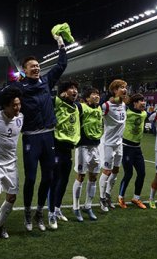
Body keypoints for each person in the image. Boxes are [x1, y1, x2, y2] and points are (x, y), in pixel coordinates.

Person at [3, 33, 68, 231]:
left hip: (49, 136)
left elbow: (61, 65)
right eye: (32, 66)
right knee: (31, 178)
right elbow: (1, 98)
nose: (36, 67)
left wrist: (61, 45)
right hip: (31, 137)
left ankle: (40, 212)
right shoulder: (18, 86)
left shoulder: (47, 81)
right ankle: (28, 213)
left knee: (48, 177)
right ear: (24, 70)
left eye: (38, 65)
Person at [0, 88, 23, 239]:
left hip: (11, 163)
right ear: (5, 106)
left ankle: (0, 225)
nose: (17, 108)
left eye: (19, 104)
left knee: (12, 198)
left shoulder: (21, 118)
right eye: (14, 105)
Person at [48, 80, 80, 229]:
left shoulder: (76, 107)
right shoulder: (57, 102)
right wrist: (58, 97)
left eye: (75, 89)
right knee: (54, 181)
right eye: (71, 88)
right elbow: (46, 99)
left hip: (68, 148)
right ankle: (50, 213)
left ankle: (58, 208)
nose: (74, 91)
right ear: (64, 91)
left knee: (64, 180)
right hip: (56, 146)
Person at [72, 87, 103, 221]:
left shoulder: (100, 108)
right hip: (83, 146)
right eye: (93, 94)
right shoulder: (80, 107)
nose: (96, 96)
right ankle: (76, 207)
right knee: (81, 176)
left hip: (96, 146)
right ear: (86, 98)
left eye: (98, 94)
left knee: (94, 176)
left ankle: (88, 206)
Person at [99, 79, 128, 212]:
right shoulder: (107, 106)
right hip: (108, 144)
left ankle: (108, 195)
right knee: (107, 171)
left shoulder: (123, 105)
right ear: (115, 90)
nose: (125, 89)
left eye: (125, 87)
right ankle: (101, 199)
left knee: (116, 170)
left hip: (119, 143)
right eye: (121, 87)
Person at [118, 93, 149, 209]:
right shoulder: (127, 112)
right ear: (135, 103)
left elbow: (153, 116)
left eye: (144, 100)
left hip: (137, 148)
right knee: (129, 173)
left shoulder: (144, 113)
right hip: (126, 147)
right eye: (141, 101)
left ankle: (136, 198)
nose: (143, 103)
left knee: (142, 173)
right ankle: (121, 197)